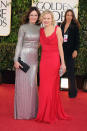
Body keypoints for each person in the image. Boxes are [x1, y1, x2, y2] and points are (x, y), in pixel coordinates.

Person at [36, 10, 70, 123]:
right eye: (44, 18)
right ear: (42, 19)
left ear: (52, 19)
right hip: (44, 62)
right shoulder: (40, 31)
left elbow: (60, 47)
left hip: (54, 62)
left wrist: (63, 63)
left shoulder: (57, 29)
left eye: (48, 18)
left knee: (51, 88)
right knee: (44, 88)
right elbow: (36, 46)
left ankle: (50, 113)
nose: (46, 20)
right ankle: (43, 112)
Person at [14, 7, 40, 119]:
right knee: (22, 85)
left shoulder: (40, 28)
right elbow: (19, 44)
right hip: (23, 58)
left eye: (35, 15)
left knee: (32, 85)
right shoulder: (23, 28)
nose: (34, 17)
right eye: (32, 15)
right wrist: (15, 60)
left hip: (34, 59)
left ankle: (32, 113)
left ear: (38, 17)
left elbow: (42, 42)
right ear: (28, 16)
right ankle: (22, 113)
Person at [61, 9, 80, 98]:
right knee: (58, 71)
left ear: (72, 17)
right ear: (65, 16)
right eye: (67, 15)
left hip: (70, 52)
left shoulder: (75, 26)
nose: (69, 16)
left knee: (71, 73)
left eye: (70, 15)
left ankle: (73, 92)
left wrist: (75, 50)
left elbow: (77, 40)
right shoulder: (62, 25)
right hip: (61, 51)